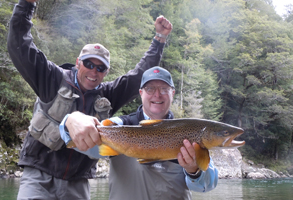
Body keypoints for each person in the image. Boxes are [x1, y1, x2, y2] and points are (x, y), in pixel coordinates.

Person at [7, 0, 172, 199]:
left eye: (100, 68)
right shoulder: (52, 78)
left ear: (106, 72)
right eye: (88, 64)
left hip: (78, 181)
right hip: (39, 175)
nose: (94, 71)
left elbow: (139, 75)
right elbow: (20, 46)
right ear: (78, 63)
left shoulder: (108, 94)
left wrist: (159, 38)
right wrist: (27, 5)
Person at [71, 66, 219, 200]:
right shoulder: (120, 124)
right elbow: (81, 142)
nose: (157, 95)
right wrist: (71, 120)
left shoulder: (190, 131)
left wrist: (194, 171)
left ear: (172, 93)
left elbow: (206, 186)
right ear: (141, 93)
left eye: (163, 89)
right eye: (150, 89)